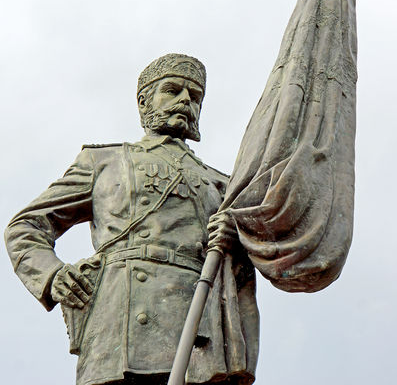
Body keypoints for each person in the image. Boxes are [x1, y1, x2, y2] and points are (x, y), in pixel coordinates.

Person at [5, 53, 259, 385]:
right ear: (144, 102)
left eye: (195, 96)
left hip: (198, 325)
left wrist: (235, 240)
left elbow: (242, 275)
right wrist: (53, 276)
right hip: (119, 322)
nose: (185, 100)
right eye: (173, 90)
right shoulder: (103, 162)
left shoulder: (222, 184)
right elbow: (26, 226)